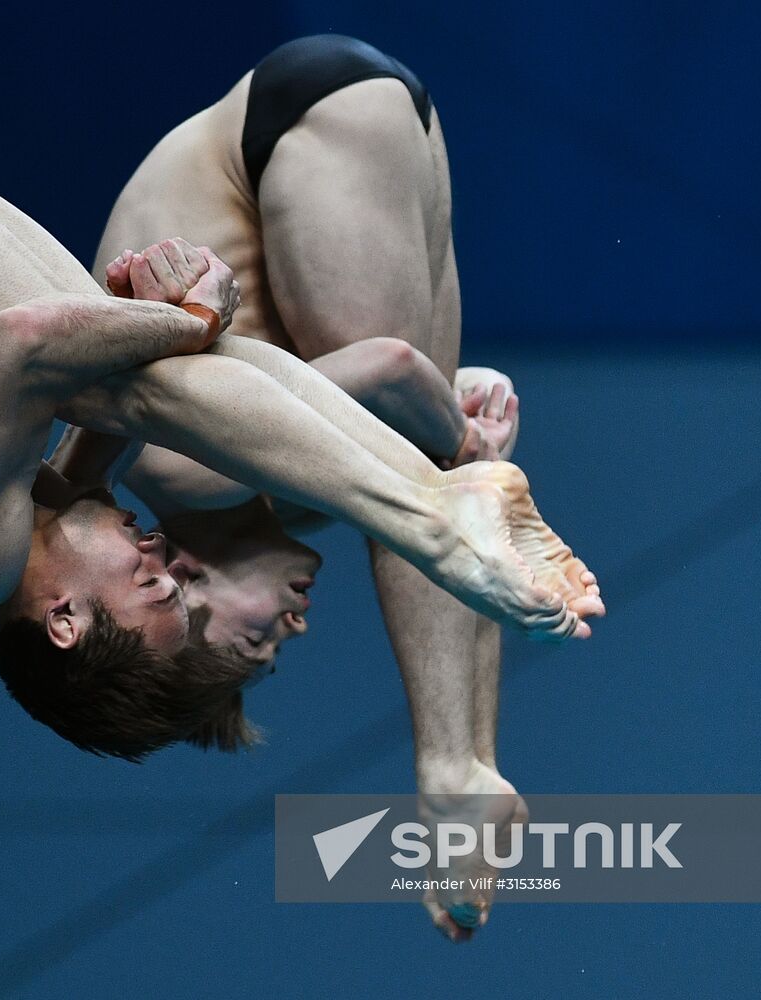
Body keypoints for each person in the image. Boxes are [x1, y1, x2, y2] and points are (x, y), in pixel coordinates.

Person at [0, 79, 599, 771]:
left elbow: (24, 347)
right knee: (135, 374)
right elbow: (84, 373)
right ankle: (437, 494)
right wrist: (178, 323)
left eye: (150, 588)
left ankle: (433, 513)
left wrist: (192, 315)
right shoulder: (26, 543)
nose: (161, 554)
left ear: (62, 623)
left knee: (127, 377)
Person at [91, 35, 601, 937]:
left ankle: (450, 769)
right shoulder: (284, 499)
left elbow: (396, 374)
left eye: (256, 643)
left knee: (418, 483)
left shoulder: (177, 471)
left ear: (184, 582)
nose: (294, 626)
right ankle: (466, 764)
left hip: (284, 140)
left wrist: (452, 427)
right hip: (343, 123)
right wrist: (461, 433)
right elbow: (437, 483)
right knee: (428, 491)